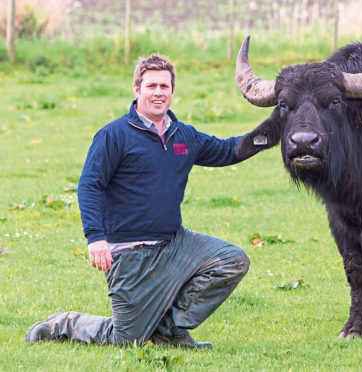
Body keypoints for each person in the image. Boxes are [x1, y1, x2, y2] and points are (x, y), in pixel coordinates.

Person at [26, 53, 272, 348]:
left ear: (172, 91)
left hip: (175, 243)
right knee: (127, 338)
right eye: (151, 85)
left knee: (232, 260)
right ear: (137, 89)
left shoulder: (184, 136)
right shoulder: (113, 135)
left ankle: (169, 330)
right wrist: (95, 238)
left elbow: (228, 150)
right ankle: (64, 324)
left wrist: (274, 132)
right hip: (130, 255)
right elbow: (90, 186)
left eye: (164, 86)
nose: (158, 92)